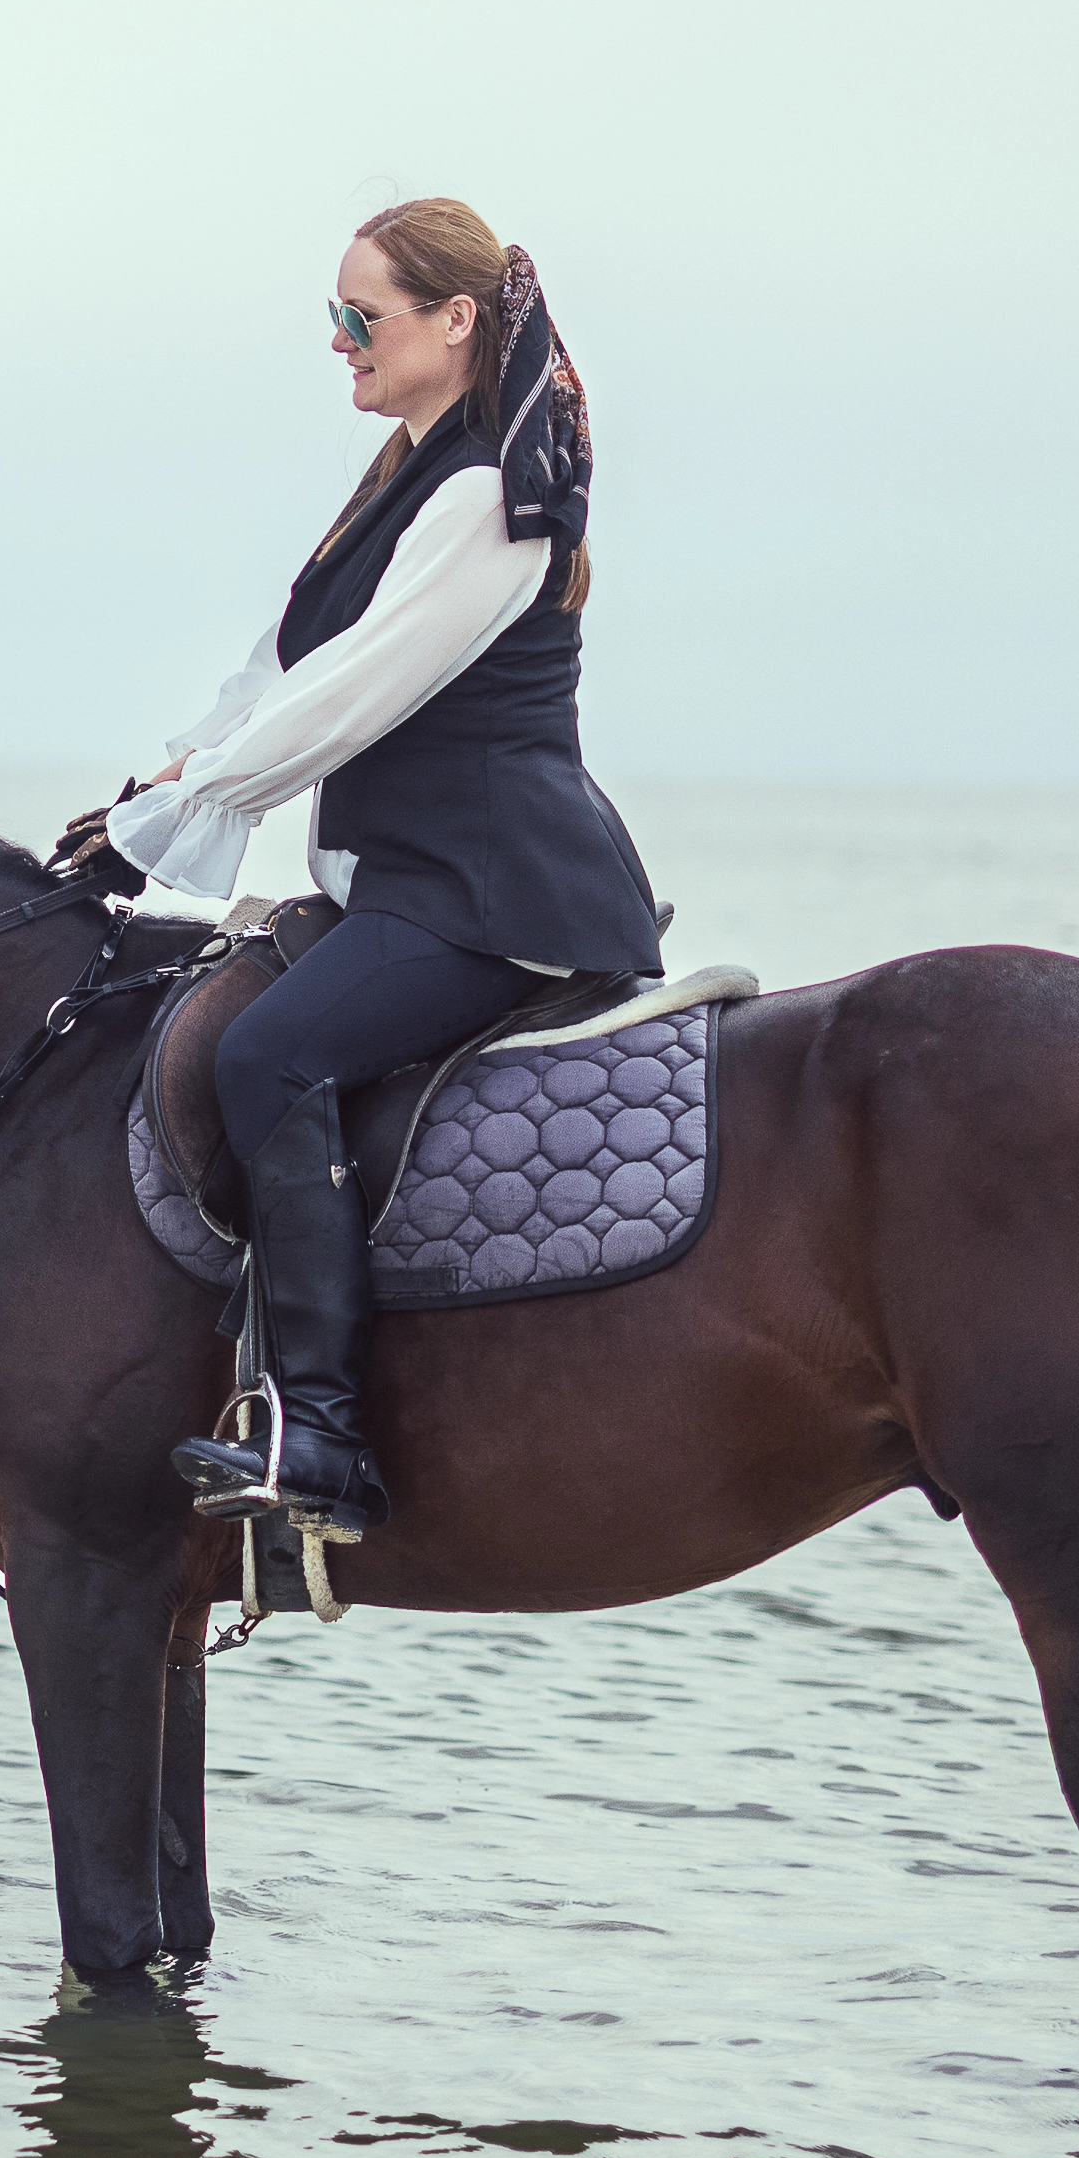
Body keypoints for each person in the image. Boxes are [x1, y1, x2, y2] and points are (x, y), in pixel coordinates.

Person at [63, 199, 666, 1541]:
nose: (339, 343)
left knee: (268, 1056)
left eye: (360, 318)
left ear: (455, 322)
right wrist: (153, 789)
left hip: (497, 891)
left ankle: (323, 1434)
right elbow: (277, 668)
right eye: (330, 319)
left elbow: (355, 694)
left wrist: (201, 809)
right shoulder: (401, 475)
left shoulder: (485, 503)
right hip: (410, 877)